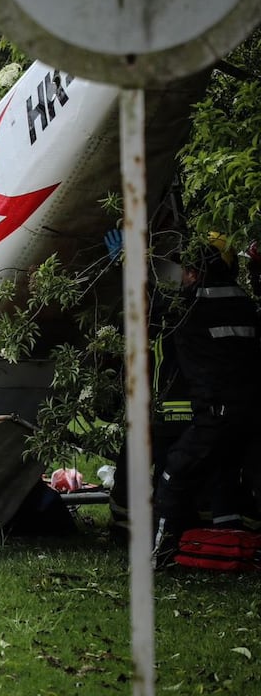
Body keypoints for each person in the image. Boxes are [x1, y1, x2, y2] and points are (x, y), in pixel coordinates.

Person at [151, 236, 261, 567]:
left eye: (186, 269)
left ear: (196, 272)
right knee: (240, 476)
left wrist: (130, 263)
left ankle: (163, 554)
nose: (181, 274)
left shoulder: (189, 306)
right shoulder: (246, 303)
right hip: (252, 414)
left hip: (215, 415)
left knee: (176, 473)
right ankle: (236, 543)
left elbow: (153, 307)